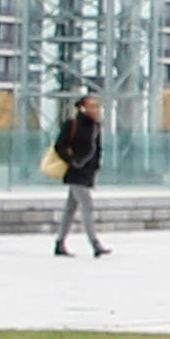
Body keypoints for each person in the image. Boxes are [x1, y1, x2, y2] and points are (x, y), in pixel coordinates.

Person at [52, 94, 108, 257]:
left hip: (88, 172)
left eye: (97, 106)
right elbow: (60, 146)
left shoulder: (96, 126)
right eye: (92, 106)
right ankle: (95, 244)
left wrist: (96, 167)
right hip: (75, 172)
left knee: (71, 208)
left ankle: (60, 243)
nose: (96, 109)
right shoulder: (73, 124)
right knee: (87, 206)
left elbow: (97, 149)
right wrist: (72, 160)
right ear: (82, 108)